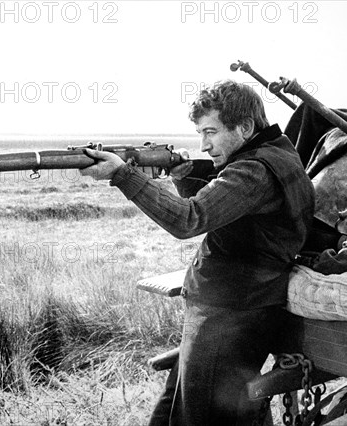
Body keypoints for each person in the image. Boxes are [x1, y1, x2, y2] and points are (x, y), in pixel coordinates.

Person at [79, 80, 315, 425]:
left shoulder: (252, 170)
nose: (204, 145)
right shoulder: (276, 154)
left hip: (229, 314)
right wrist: (184, 178)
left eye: (211, 132)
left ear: (245, 127)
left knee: (202, 417)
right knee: (173, 413)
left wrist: (121, 174)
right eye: (200, 133)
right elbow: (233, 213)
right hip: (235, 308)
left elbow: (188, 220)